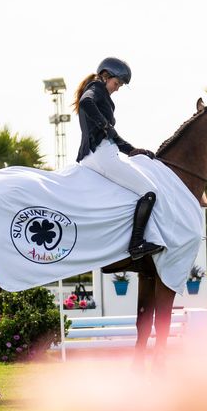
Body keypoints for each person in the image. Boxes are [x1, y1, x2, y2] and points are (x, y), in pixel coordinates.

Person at [74, 56, 162, 259]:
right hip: (103, 155)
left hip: (92, 156)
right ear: (106, 76)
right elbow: (86, 103)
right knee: (149, 191)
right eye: (117, 83)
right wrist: (105, 125)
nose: (118, 88)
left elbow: (112, 135)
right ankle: (137, 244)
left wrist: (132, 150)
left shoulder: (99, 90)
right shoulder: (96, 88)